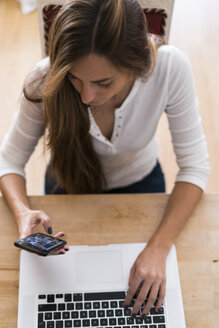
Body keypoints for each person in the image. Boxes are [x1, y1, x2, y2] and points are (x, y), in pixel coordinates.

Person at [0, 0, 209, 317]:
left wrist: (159, 248)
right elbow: (8, 162)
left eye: (103, 82)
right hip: (66, 186)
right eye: (74, 77)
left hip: (142, 182)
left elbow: (194, 168)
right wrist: (23, 213)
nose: (85, 97)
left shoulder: (168, 68)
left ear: (137, 66)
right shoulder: (45, 78)